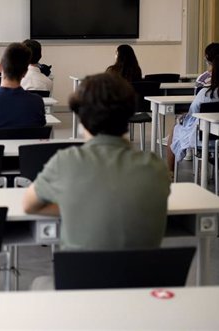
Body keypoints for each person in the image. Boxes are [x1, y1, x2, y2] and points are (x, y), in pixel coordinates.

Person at [22, 73, 170, 251]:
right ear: (130, 113)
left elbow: (28, 205)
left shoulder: (66, 162)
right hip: (143, 278)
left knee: (41, 281)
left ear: (81, 117)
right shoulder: (155, 167)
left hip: (80, 277)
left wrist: (76, 206)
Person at [166, 53, 219, 172]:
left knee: (175, 129)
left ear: (216, 72)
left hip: (204, 137)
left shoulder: (206, 93)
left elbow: (192, 113)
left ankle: (170, 173)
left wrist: (182, 118)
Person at [0, 43, 45, 138]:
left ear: (0, 67)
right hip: (24, 152)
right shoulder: (37, 102)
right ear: (25, 72)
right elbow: (39, 129)